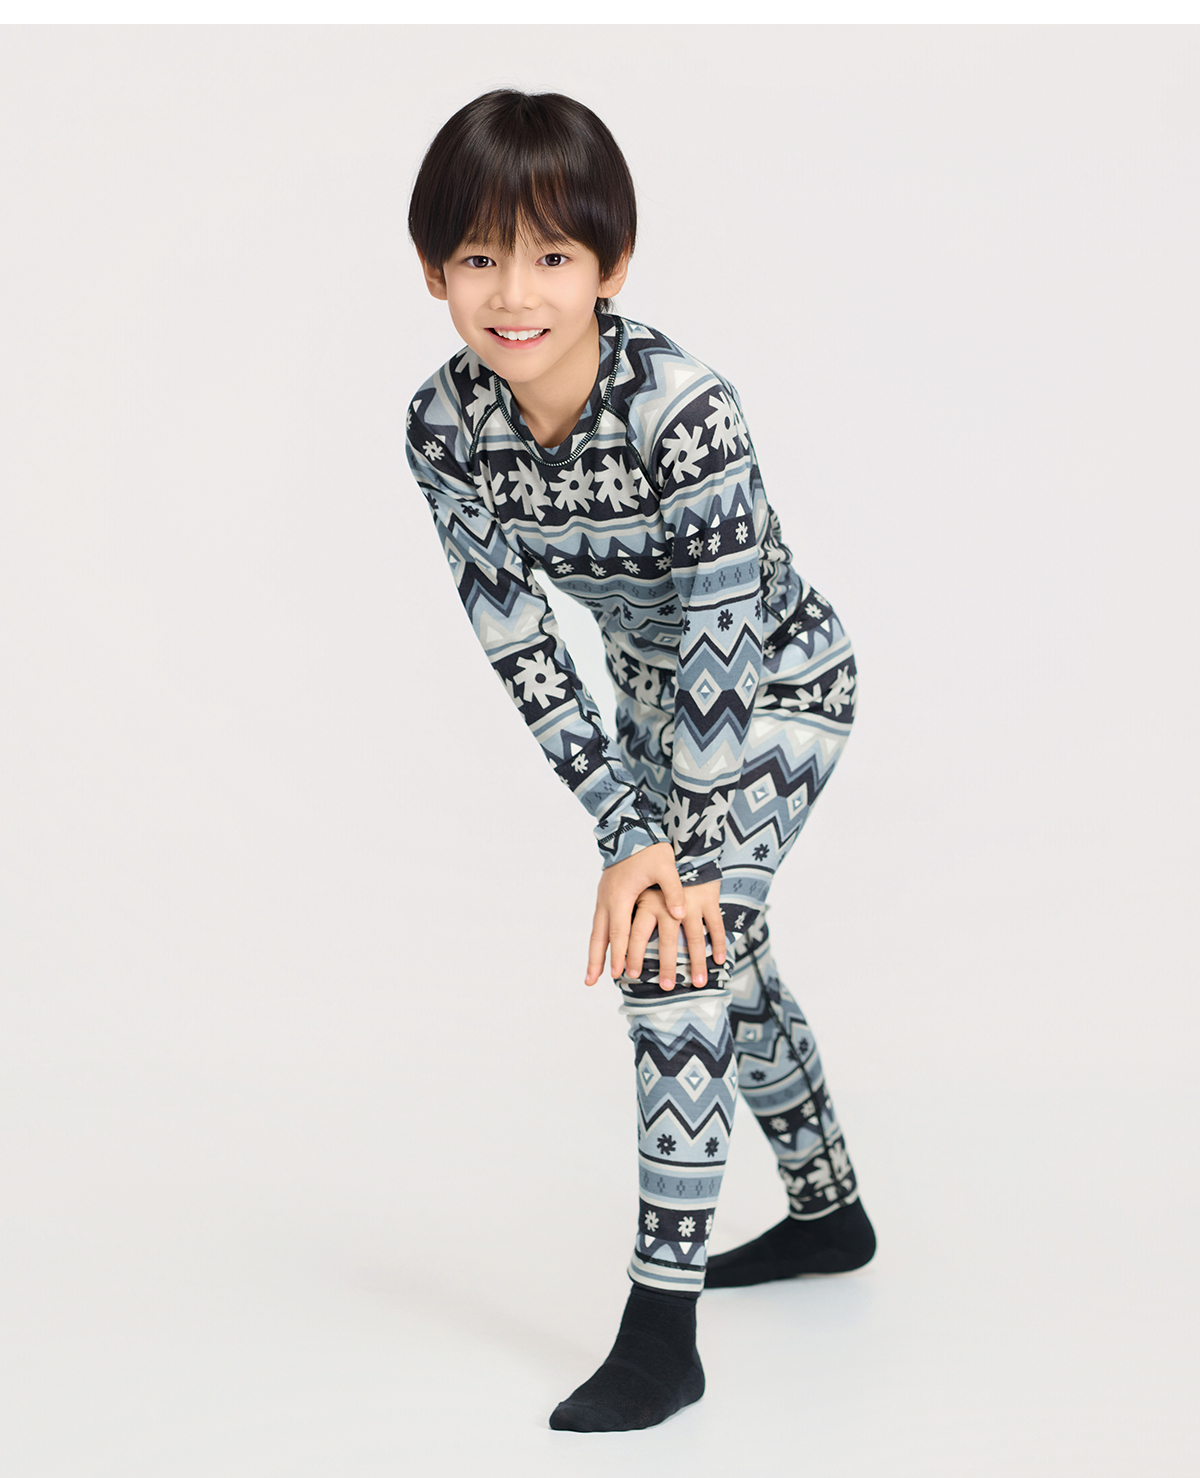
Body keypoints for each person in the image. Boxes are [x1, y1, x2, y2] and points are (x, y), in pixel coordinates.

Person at [405, 88, 876, 1433]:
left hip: (780, 690)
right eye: (480, 257)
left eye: (552, 255)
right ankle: (830, 1213)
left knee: (678, 955)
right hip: (650, 716)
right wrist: (627, 822)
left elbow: (726, 638)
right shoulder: (443, 427)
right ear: (434, 272)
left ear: (611, 265)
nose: (515, 293)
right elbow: (520, 644)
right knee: (732, 952)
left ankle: (661, 1331)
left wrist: (677, 848)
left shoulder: (685, 408)